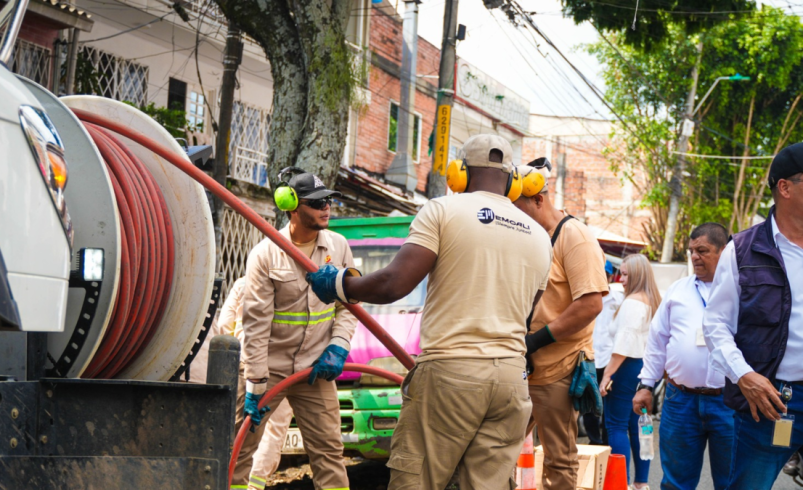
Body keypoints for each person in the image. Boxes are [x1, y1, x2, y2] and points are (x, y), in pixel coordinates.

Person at [306, 134, 553, 489]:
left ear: (459, 174)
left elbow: (394, 283)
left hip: (451, 376)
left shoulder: (443, 210)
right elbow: (528, 311)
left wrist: (341, 285)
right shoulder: (538, 235)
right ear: (513, 180)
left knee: (417, 481)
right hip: (511, 384)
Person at [233, 170, 358, 490]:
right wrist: (256, 382)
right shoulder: (265, 254)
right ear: (291, 206)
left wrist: (339, 345)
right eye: (316, 203)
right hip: (267, 369)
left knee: (330, 452)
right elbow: (256, 323)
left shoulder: (339, 246)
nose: (326, 208)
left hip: (314, 369)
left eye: (328, 201)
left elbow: (350, 305)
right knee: (239, 449)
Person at [704, 143, 803, 489]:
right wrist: (743, 375)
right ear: (785, 188)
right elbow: (715, 324)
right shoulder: (742, 250)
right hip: (769, 402)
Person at [512, 159, 608, 490]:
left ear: (539, 199)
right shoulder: (527, 237)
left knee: (559, 459)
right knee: (496, 451)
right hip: (521, 365)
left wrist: (536, 341)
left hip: (559, 367)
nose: (515, 218)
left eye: (518, 209)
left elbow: (591, 304)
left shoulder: (574, 235)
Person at [633, 223, 733, 490]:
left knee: (733, 482)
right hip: (681, 401)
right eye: (691, 251)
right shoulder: (678, 291)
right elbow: (657, 342)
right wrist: (646, 386)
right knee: (676, 483)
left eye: (702, 250)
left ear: (724, 251)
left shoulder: (743, 291)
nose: (695, 257)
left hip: (731, 402)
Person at [218, 277, 295, 490]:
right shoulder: (294, 283)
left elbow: (224, 324)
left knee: (246, 432)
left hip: (248, 366)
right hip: (285, 366)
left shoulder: (243, 283)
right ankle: (256, 485)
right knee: (275, 431)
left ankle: (238, 484)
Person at [599, 254, 660, 490]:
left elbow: (623, 344)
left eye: (625, 274)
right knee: (642, 426)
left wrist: (607, 375)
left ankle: (620, 484)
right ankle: (641, 483)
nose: (621, 279)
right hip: (645, 369)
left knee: (616, 426)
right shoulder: (652, 300)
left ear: (637, 275)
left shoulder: (633, 302)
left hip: (626, 367)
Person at [583, 260, 623, 446]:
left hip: (610, 359)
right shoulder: (584, 298)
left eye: (604, 275)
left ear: (609, 277)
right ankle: (594, 441)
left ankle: (607, 444)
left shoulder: (619, 300)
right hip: (589, 358)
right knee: (589, 406)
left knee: (609, 406)